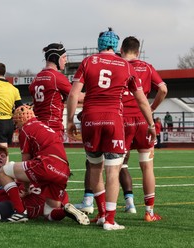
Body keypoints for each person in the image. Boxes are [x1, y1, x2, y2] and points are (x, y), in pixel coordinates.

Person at [67, 28, 156, 230]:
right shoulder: (125, 65)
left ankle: (101, 213)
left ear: (99, 44)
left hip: (90, 118)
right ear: (116, 46)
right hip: (114, 119)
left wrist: (70, 121)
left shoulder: (88, 62)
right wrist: (151, 125)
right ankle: (109, 220)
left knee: (95, 168)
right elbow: (142, 100)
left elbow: (73, 95)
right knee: (113, 170)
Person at [0, 105, 83, 224]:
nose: (16, 126)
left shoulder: (25, 130)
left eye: (16, 122)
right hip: (64, 171)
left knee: (3, 171)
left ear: (20, 119)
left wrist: (26, 188)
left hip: (47, 164)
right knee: (49, 213)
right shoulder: (43, 126)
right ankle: (65, 211)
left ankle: (20, 212)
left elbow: (25, 161)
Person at [117, 36, 166, 221]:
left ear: (121, 50)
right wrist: (151, 109)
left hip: (121, 121)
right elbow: (163, 89)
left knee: (115, 167)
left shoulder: (118, 66)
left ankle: (107, 213)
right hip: (143, 121)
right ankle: (149, 212)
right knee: (147, 168)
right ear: (137, 52)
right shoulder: (146, 67)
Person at [28, 42, 84, 139]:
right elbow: (77, 97)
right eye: (64, 57)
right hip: (52, 127)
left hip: (37, 127)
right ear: (55, 58)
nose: (66, 60)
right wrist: (97, 94)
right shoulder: (56, 77)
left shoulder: (36, 78)